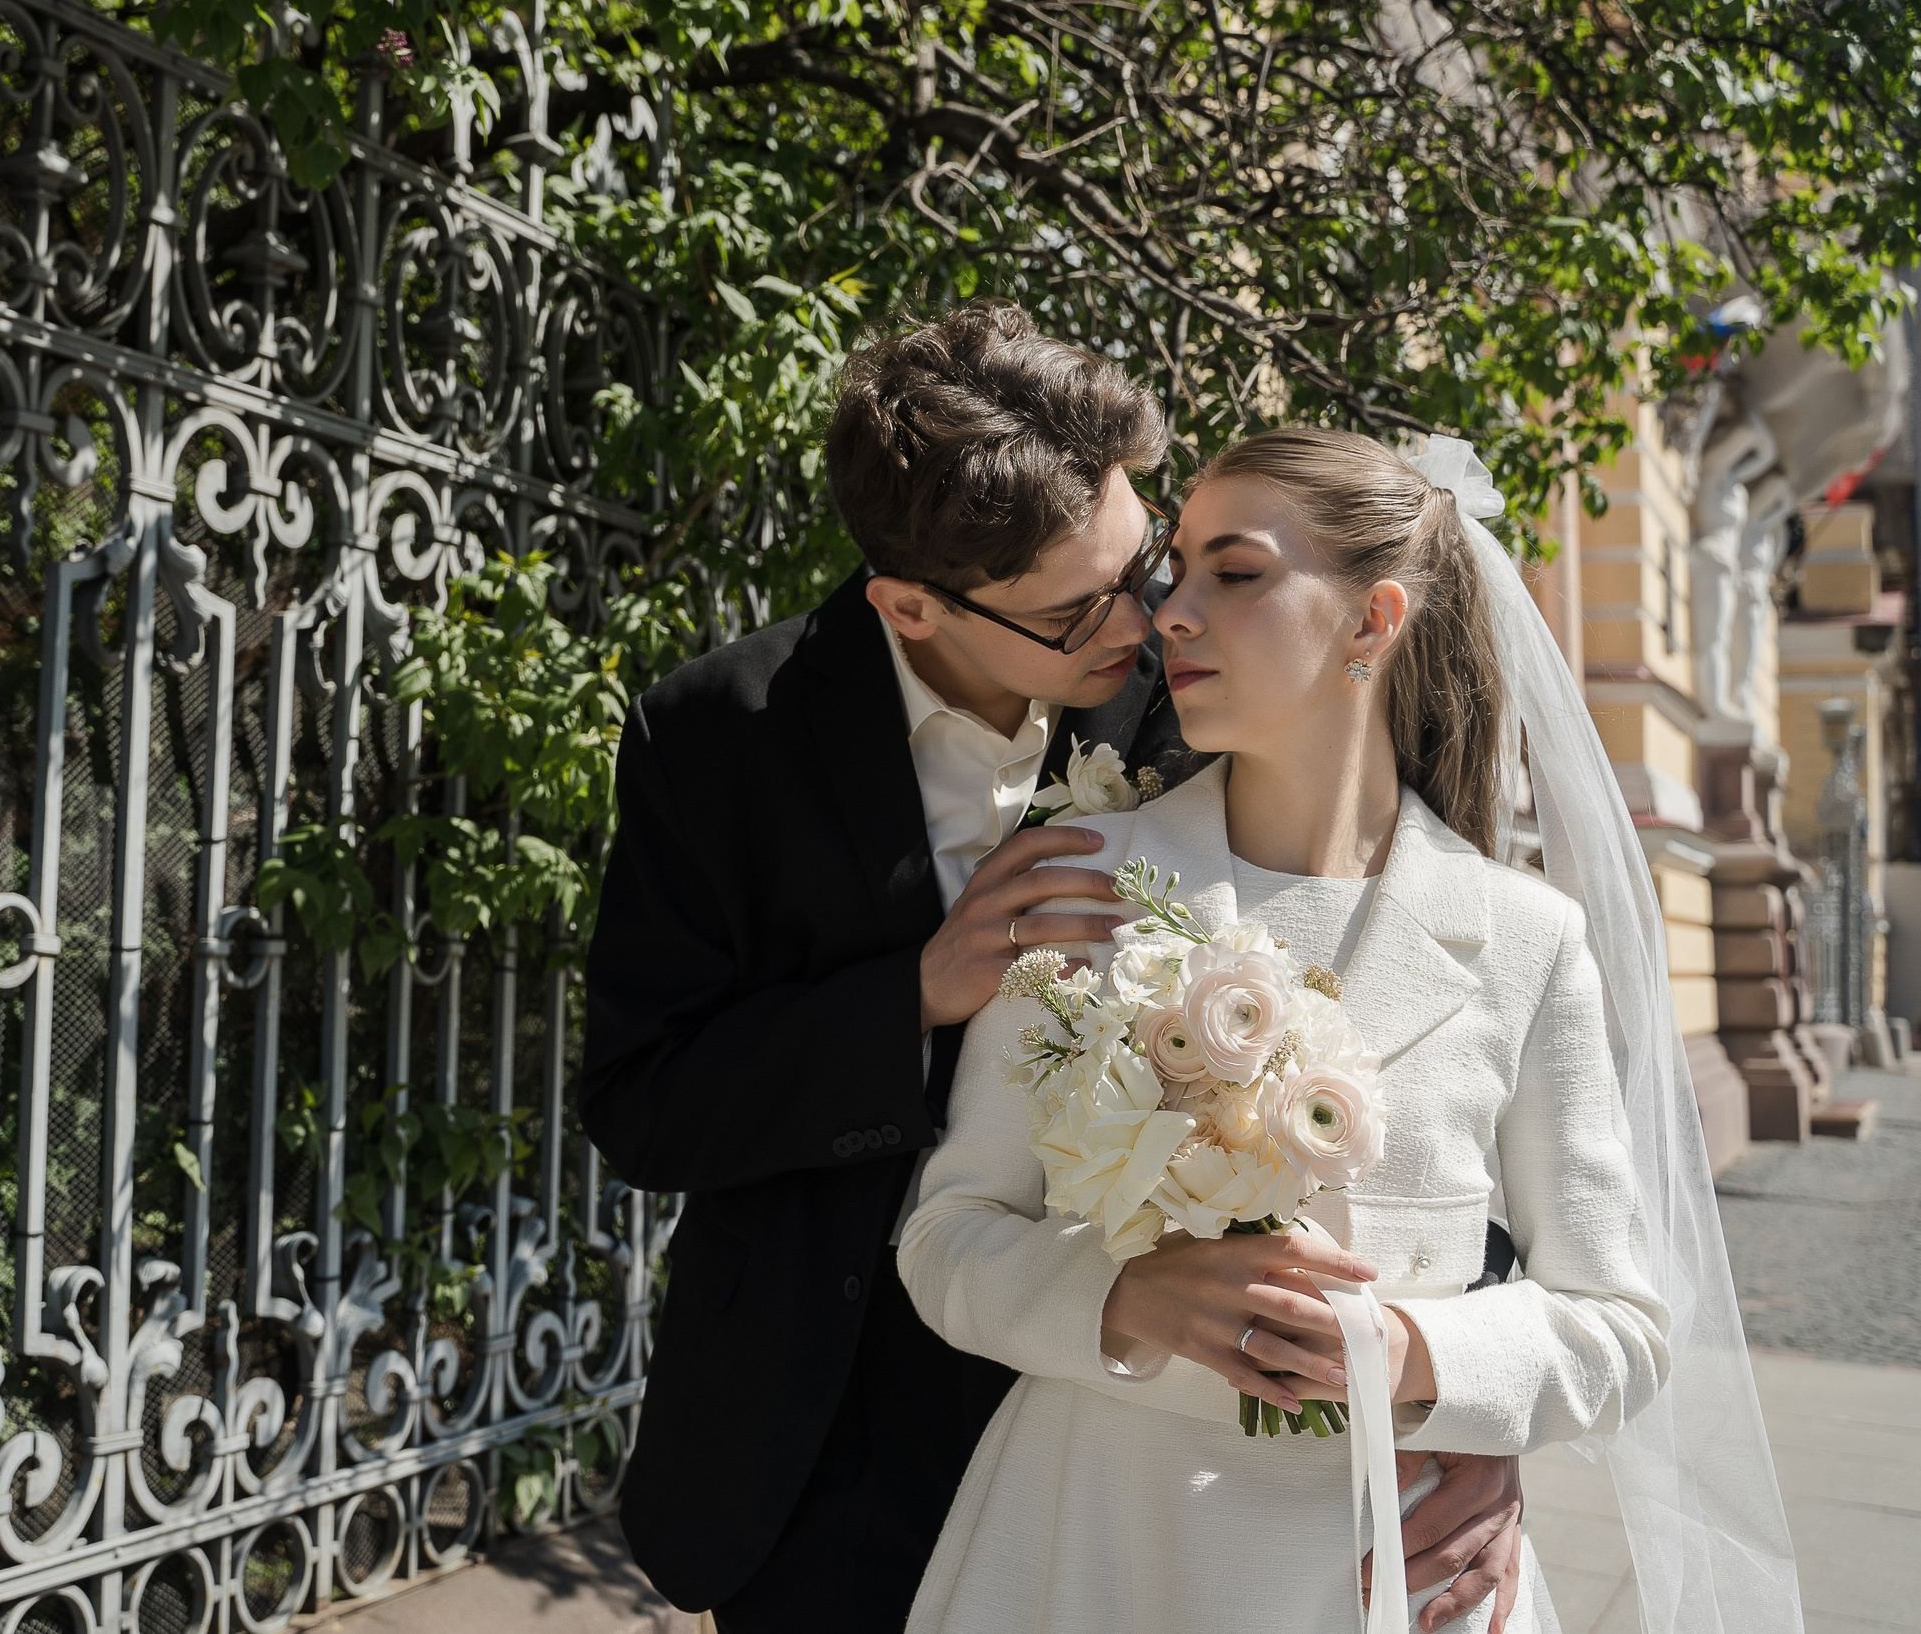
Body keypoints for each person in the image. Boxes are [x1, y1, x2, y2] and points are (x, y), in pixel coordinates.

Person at [581, 306, 1528, 1634]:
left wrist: (1466, 1391)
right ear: (910, 605)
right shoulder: (717, 739)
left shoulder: (1208, 689)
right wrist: (912, 995)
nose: (1148, 618)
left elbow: (1412, 1012)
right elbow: (643, 1102)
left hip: (1143, 1440)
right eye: (1080, 606)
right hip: (828, 1434)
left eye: (1144, 559)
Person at [897, 429, 1801, 1632]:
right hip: (1101, 1544)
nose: (1171, 613)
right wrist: (1126, 1299)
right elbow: (946, 1239)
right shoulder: (1080, 884)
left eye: (1235, 572)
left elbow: (1619, 1325)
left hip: (1396, 1567)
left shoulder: (1523, 938)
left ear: (1372, 621)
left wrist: (1414, 1352)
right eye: (1175, 570)